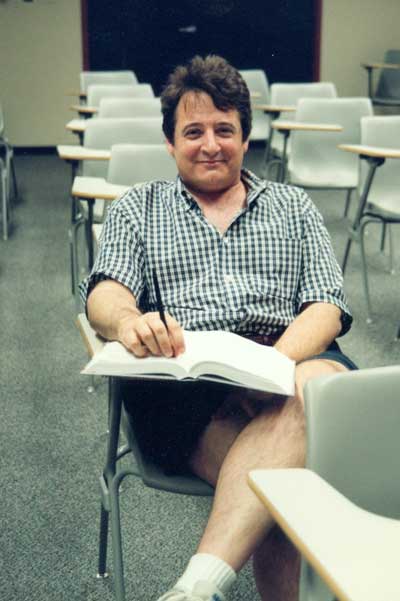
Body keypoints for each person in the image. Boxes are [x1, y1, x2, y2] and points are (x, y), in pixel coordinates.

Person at [80, 55, 357, 601]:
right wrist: (130, 321)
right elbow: (105, 292)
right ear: (169, 143)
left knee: (318, 380)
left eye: (224, 129)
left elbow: (326, 305)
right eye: (193, 131)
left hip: (288, 361)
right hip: (188, 385)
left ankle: (195, 587)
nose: (210, 144)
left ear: (246, 137)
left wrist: (271, 366)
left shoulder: (293, 206)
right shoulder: (140, 208)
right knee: (288, 491)